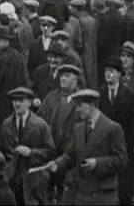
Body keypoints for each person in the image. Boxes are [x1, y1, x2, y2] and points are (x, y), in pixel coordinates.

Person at [46, 89, 128, 205]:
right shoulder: (78, 129)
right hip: (82, 193)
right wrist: (57, 164)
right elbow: (70, 156)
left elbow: (121, 160)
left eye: (80, 106)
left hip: (103, 195)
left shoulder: (112, 128)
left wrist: (97, 163)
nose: (77, 110)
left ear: (92, 105)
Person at [99, 56, 134, 206]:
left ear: (119, 74)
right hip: (105, 146)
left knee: (126, 189)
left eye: (111, 71)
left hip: (126, 145)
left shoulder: (130, 95)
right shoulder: (100, 94)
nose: (108, 74)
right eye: (106, 71)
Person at [0, 87, 55, 205]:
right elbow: (1, 151)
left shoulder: (41, 125)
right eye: (14, 100)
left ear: (29, 102)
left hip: (34, 182)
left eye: (21, 100)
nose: (17, 104)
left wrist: (31, 153)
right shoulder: (6, 124)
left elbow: (50, 152)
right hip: (12, 181)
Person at [37, 64, 82, 203]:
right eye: (61, 75)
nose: (63, 78)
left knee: (67, 193)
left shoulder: (81, 100)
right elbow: (39, 120)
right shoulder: (51, 97)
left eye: (67, 76)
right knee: (45, 191)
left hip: (70, 156)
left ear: (75, 81)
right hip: (50, 152)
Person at [0, 25, 30, 144]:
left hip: (3, 99)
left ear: (5, 41)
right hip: (16, 97)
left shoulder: (2, 58)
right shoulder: (16, 54)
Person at [69, 0, 99, 88]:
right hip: (92, 51)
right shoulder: (92, 20)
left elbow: (79, 41)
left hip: (83, 53)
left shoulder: (78, 21)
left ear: (76, 8)